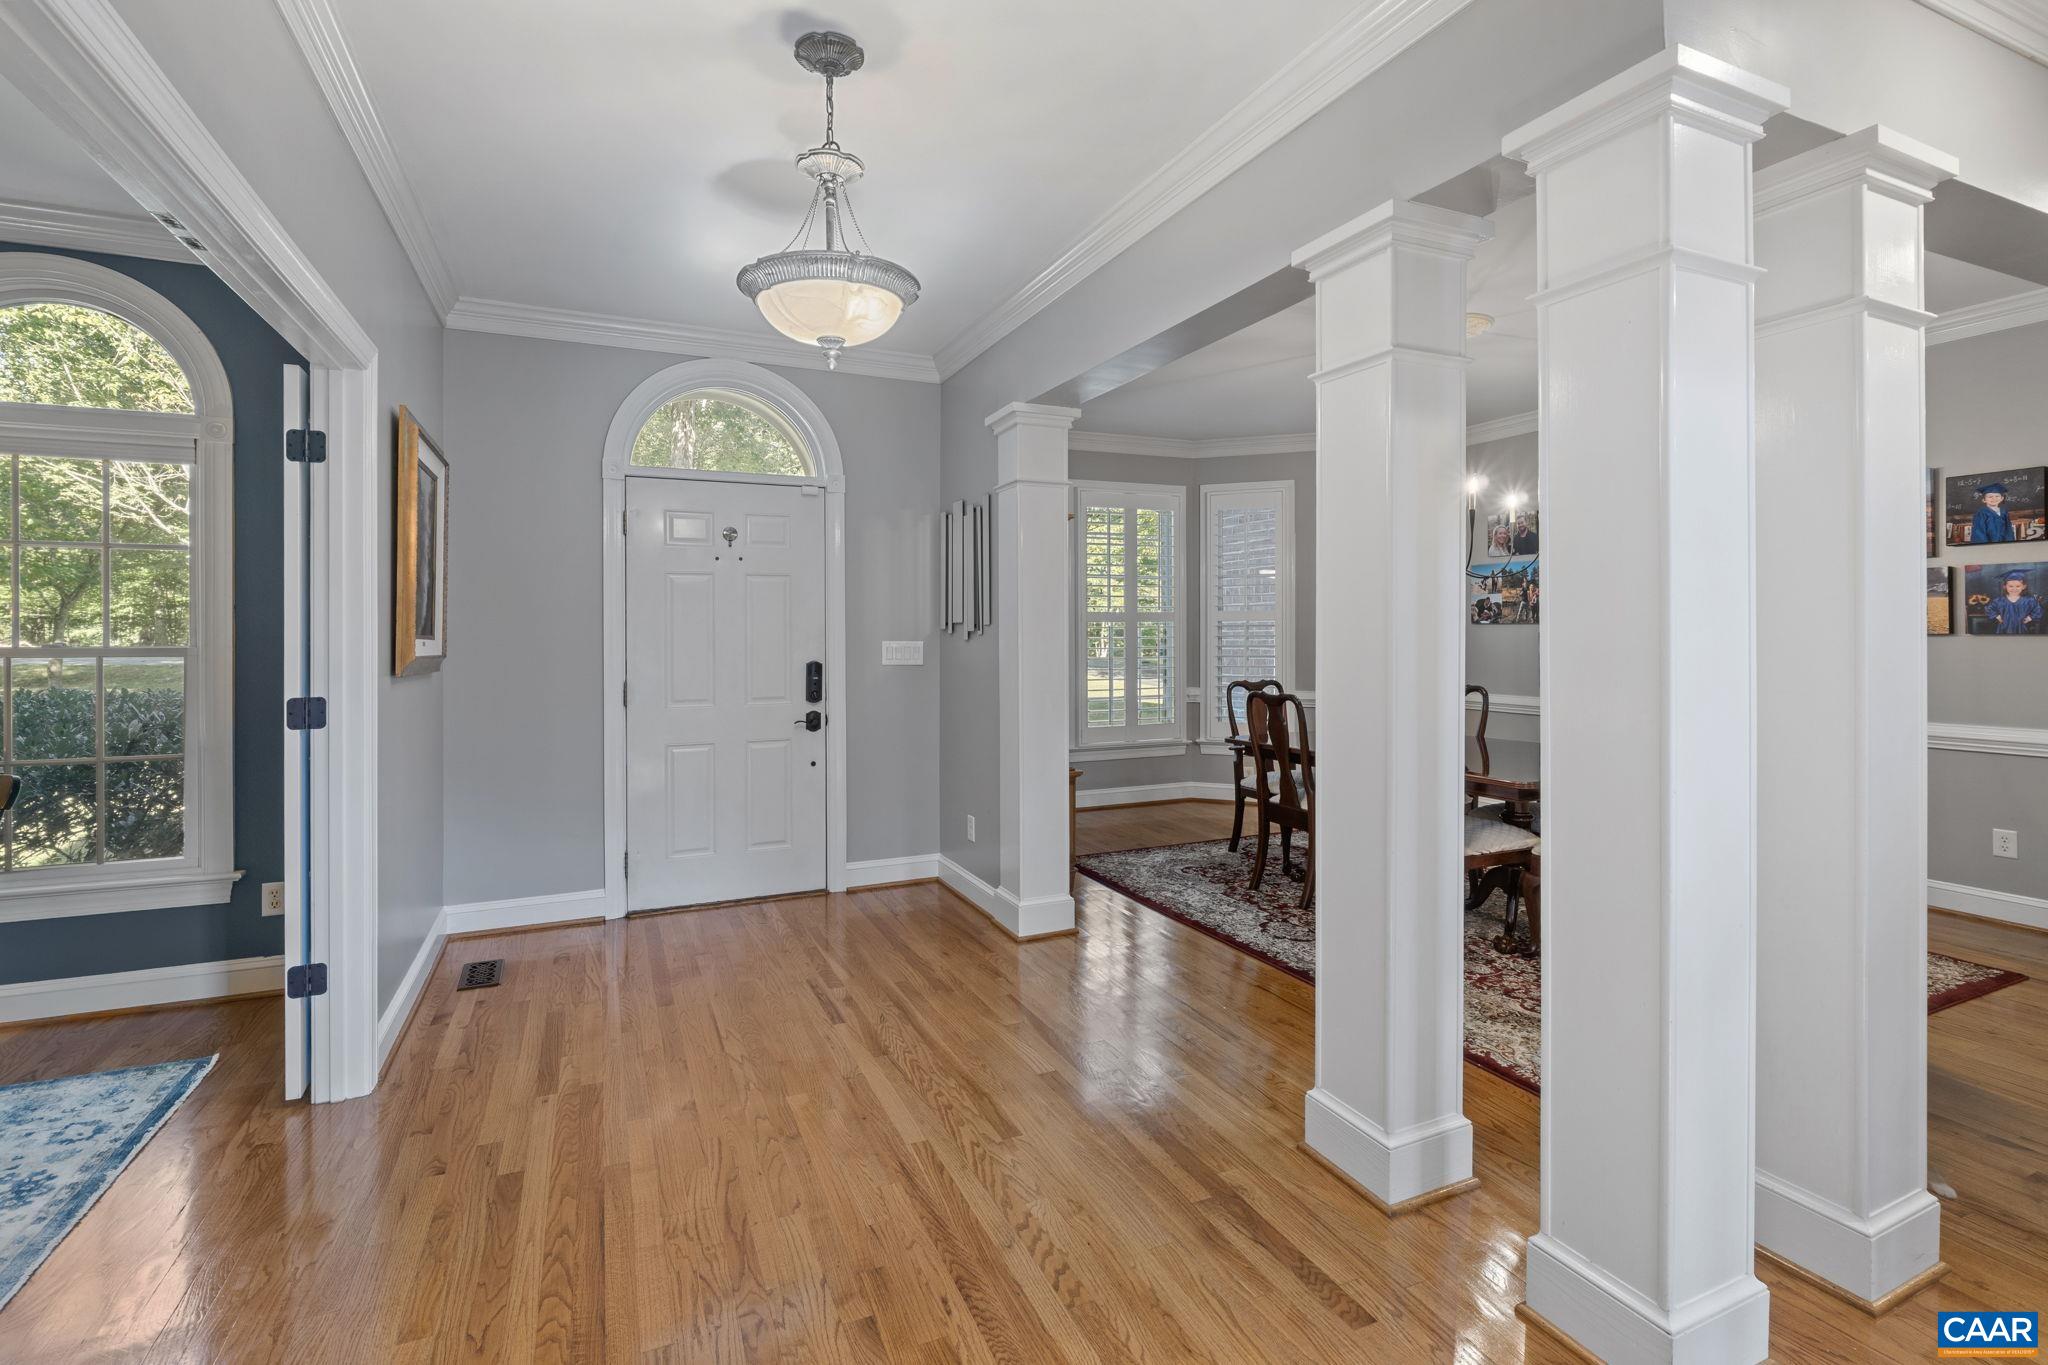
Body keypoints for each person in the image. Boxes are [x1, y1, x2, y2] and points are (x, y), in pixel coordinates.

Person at [1983, 568, 2042, 635]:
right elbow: (1989, 609)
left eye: (2018, 586)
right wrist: (1996, 616)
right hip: (2003, 629)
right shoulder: (1999, 601)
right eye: (2011, 586)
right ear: (2005, 587)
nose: (2014, 589)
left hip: (2022, 629)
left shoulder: (2029, 600)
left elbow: (2037, 610)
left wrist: (2030, 618)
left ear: (2024, 587)